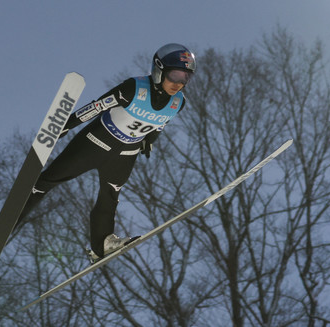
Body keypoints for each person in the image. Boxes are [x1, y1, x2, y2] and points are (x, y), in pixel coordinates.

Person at [15, 43, 196, 262]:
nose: (178, 83)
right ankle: (14, 217)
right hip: (95, 142)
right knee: (50, 180)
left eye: (185, 78)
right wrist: (64, 126)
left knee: (110, 197)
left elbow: (160, 124)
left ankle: (102, 244)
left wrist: (149, 142)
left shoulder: (179, 103)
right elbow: (96, 107)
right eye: (175, 75)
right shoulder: (135, 87)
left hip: (125, 154)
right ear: (159, 70)